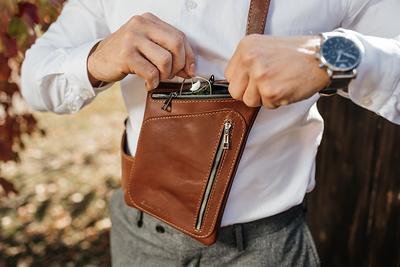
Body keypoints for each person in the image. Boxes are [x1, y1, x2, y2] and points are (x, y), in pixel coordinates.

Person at [21, 0, 400, 266]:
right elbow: (35, 78)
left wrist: (333, 56)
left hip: (265, 249)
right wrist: (96, 58)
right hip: (139, 235)